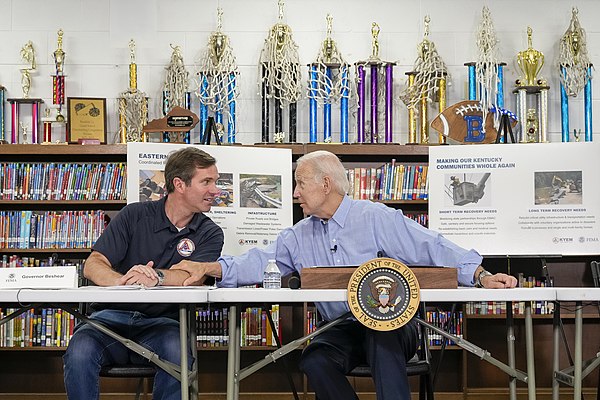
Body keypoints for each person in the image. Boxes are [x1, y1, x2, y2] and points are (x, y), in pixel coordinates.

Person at [173, 150, 517, 400]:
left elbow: (433, 247)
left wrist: (482, 275)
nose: (294, 193)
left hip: (395, 327)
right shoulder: (298, 234)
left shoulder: (375, 217)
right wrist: (209, 268)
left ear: (326, 184)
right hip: (341, 329)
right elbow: (259, 262)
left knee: (380, 335)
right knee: (315, 359)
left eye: (300, 184)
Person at [63, 147, 224, 400]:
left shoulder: (210, 232)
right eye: (207, 182)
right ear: (179, 184)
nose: (216, 190)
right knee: (80, 350)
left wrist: (154, 277)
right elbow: (93, 264)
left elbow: (192, 276)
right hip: (108, 320)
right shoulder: (134, 215)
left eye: (215, 181)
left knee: (178, 351)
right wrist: (123, 281)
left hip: (163, 325)